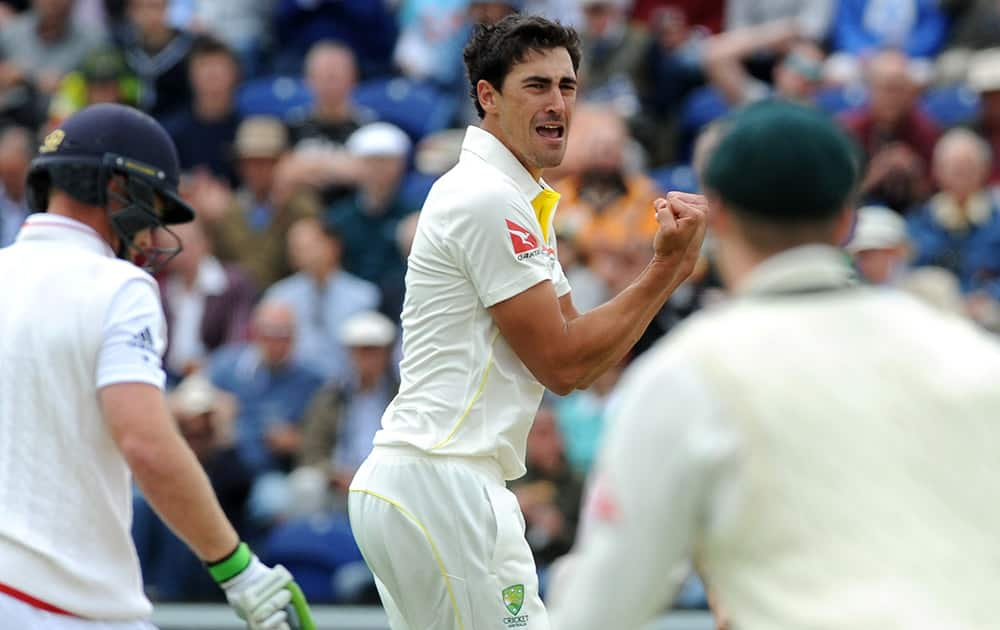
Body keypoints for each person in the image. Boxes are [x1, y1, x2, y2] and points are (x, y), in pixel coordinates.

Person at [547, 99, 1000, 630]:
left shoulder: (687, 375)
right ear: (847, 219)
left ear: (720, 213)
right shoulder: (970, 355)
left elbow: (600, 609)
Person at [348, 14, 706, 630]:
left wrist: (666, 271)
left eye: (567, 87)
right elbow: (564, 363)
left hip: (428, 479)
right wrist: (667, 268)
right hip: (443, 479)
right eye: (536, 85)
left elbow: (580, 357)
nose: (557, 103)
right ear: (487, 97)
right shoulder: (487, 196)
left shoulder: (512, 196)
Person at [0, 103, 312, 629]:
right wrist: (240, 572)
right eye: (152, 208)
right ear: (118, 188)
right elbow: (146, 444)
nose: (149, 237)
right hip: (62, 603)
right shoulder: (120, 287)